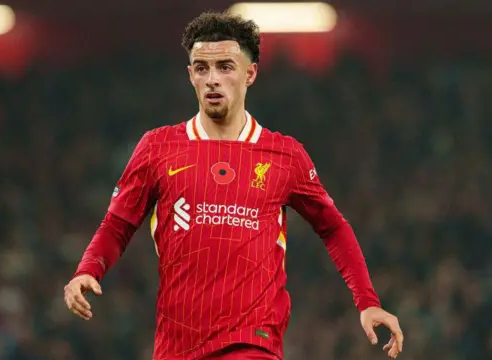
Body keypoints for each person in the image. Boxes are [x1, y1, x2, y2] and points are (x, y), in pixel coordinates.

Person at [64, 10, 404, 360]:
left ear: (250, 73)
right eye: (202, 68)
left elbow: (332, 227)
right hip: (177, 348)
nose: (212, 79)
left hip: (252, 343)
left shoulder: (284, 155)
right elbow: (118, 224)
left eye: (225, 67)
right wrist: (88, 269)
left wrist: (367, 301)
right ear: (190, 76)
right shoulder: (158, 148)